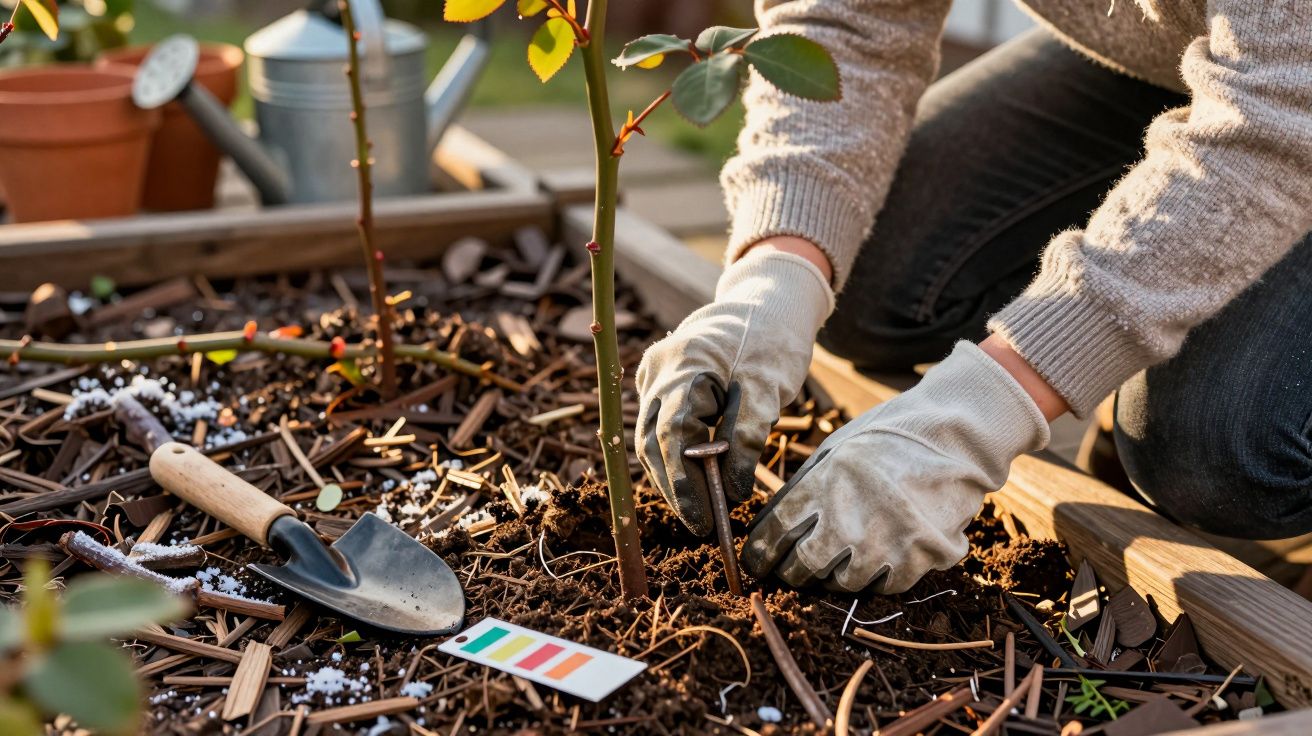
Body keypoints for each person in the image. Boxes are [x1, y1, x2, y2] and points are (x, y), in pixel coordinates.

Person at [634, 1, 1312, 593]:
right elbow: (847, 17)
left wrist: (985, 405)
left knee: (1212, 450)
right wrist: (776, 274)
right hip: (1186, 58)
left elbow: (1274, 121)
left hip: (1288, 88)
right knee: (866, 270)